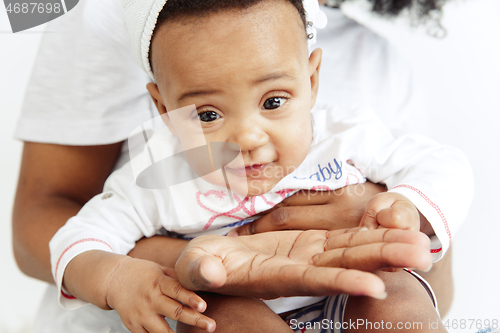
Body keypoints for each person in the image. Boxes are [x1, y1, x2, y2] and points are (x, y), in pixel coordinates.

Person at [12, 0, 460, 333]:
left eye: (273, 102)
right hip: (226, 302)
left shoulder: (349, 132)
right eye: (207, 115)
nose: (246, 137)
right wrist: (117, 277)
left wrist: (406, 207)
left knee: (396, 295)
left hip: (348, 301)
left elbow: (441, 165)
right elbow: (74, 236)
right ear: (162, 107)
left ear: (312, 80)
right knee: (216, 311)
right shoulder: (155, 180)